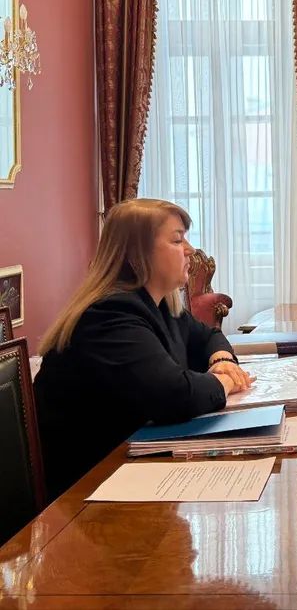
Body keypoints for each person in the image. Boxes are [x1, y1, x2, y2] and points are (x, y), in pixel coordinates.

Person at [34, 198, 254, 499]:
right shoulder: (110, 315)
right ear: (138, 254)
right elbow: (175, 395)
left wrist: (222, 359)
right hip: (85, 491)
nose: (190, 249)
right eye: (177, 240)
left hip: (131, 466)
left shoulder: (162, 306)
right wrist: (226, 381)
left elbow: (207, 337)